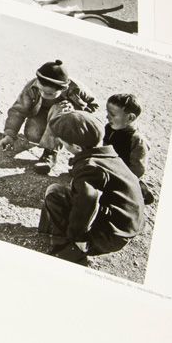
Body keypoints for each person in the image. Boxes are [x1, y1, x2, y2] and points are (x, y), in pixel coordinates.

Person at [37, 111, 144, 266]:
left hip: (109, 236)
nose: (62, 145)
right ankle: (51, 234)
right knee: (68, 192)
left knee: (55, 193)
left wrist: (78, 237)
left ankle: (70, 251)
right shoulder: (109, 156)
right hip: (126, 226)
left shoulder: (89, 167)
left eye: (63, 143)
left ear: (77, 147)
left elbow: (88, 200)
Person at [0, 59, 97, 172]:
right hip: (42, 114)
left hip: (64, 118)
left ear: (63, 89)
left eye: (49, 93)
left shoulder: (76, 89)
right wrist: (9, 134)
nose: (43, 94)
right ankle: (48, 136)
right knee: (33, 134)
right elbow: (18, 110)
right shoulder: (32, 86)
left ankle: (50, 153)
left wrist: (75, 110)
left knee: (60, 108)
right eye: (41, 90)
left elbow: (94, 106)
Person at [104, 93, 156, 204]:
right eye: (107, 112)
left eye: (112, 114)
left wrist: (116, 179)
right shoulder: (109, 128)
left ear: (130, 117)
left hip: (124, 176)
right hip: (108, 168)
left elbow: (137, 170)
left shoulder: (137, 140)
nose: (107, 117)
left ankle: (139, 191)